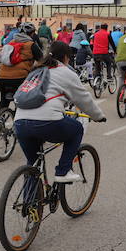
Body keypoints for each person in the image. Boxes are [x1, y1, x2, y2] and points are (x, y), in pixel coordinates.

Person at [14, 41, 107, 183]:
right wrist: (98, 116)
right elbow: (83, 98)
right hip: (46, 121)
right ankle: (63, 171)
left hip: (20, 122)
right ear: (65, 57)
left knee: (33, 163)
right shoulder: (65, 72)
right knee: (76, 129)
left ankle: (30, 203)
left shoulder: (36, 70)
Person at [0, 23, 43, 109]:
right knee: (22, 100)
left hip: (2, 77)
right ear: (32, 33)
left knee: (4, 100)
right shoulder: (31, 45)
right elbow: (42, 60)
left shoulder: (10, 43)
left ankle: (0, 119)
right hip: (19, 78)